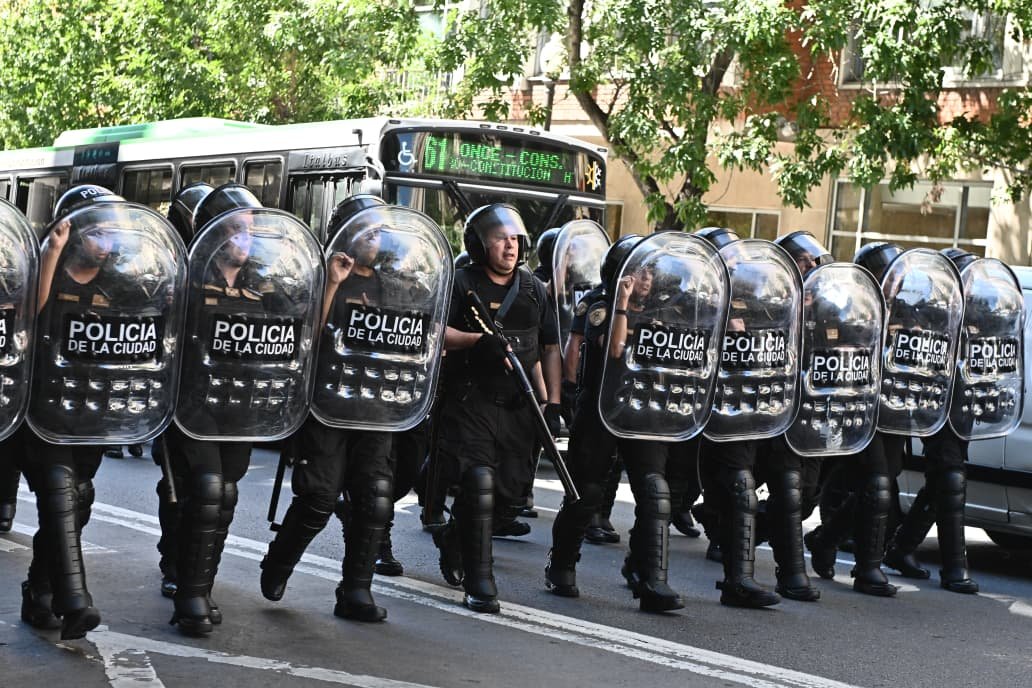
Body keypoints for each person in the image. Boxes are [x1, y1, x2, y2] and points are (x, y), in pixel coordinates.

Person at [260, 195, 399, 622]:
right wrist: (333, 283)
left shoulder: (392, 282)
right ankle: (279, 561)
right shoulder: (317, 274)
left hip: (374, 404)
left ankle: (356, 591)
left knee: (374, 498)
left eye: (380, 230)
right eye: (366, 229)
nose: (374, 238)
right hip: (325, 402)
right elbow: (302, 337)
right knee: (319, 496)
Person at [432, 203, 562, 613]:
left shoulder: (533, 290)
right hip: (472, 401)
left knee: (510, 496)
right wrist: (474, 342)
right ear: (479, 244)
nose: (510, 246)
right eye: (500, 239)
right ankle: (480, 581)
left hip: (520, 406)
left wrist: (552, 402)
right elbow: (436, 331)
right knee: (479, 485)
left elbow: (547, 349)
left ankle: (455, 536)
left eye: (514, 238)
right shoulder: (460, 282)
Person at [883, 248, 983, 594]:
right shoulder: (925, 308)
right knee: (951, 478)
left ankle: (898, 547)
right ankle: (955, 569)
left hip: (961, 406)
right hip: (931, 403)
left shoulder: (979, 311)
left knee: (942, 481)